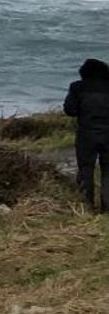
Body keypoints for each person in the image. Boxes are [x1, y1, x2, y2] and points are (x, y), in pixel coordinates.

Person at [63, 58, 109, 212]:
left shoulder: (77, 87)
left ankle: (87, 206)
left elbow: (70, 110)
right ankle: (107, 208)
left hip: (86, 135)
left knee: (85, 170)